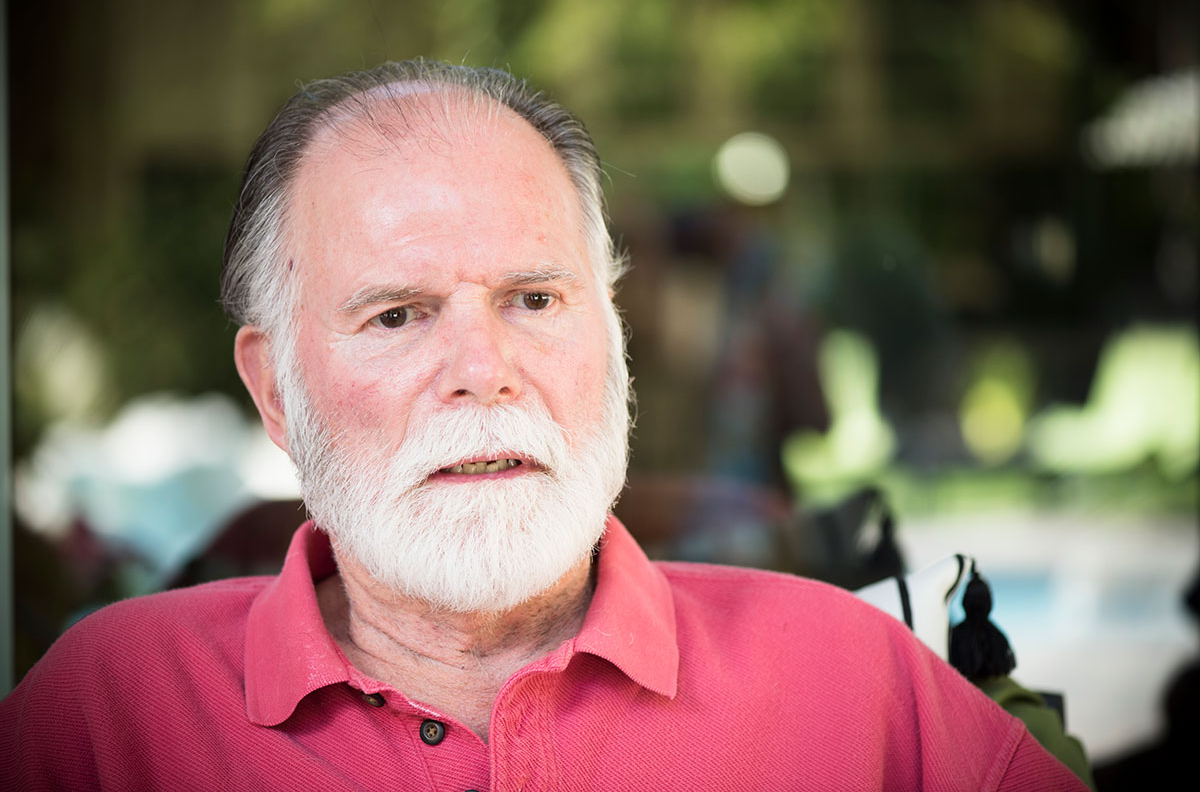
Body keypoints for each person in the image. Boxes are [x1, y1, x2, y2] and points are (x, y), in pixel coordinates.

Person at [0, 59, 1088, 791]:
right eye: (396, 315)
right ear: (275, 391)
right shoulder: (111, 714)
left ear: (610, 337)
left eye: (533, 299)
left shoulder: (853, 685)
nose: (486, 372)